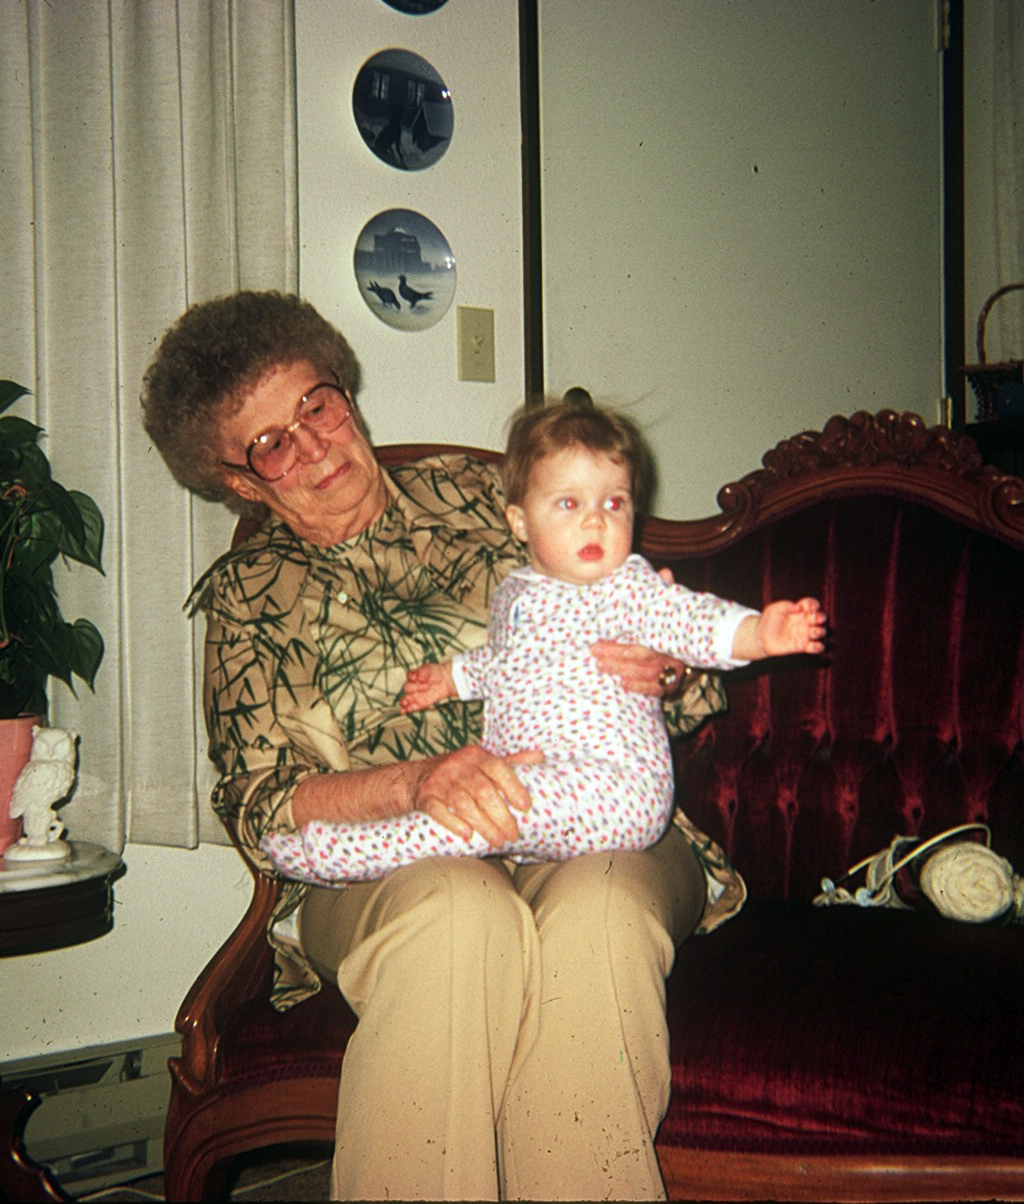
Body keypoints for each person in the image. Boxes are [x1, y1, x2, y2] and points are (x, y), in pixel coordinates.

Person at [142, 290, 748, 1202]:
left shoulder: (492, 496)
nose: (313, 445)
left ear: (344, 391)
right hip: (389, 865)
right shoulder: (246, 596)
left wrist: (664, 670)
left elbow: (688, 674)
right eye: (271, 443)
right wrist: (414, 782)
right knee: (455, 918)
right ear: (240, 482)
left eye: (316, 404)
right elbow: (259, 803)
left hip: (593, 819)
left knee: (603, 917)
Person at [261, 401, 825, 886]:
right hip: (545, 790)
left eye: (614, 503)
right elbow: (505, 665)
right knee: (479, 810)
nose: (596, 523)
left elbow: (693, 621)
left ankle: (340, 854)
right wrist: (451, 678)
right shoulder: (518, 593)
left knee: (457, 822)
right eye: (569, 504)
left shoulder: (627, 587)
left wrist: (760, 633)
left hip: (612, 789)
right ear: (519, 522)